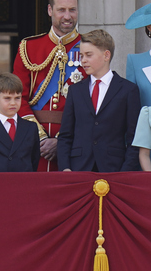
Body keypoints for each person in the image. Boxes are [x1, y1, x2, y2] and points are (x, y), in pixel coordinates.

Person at [12, 0, 81, 171]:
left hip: (74, 145)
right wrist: (41, 138)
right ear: (50, 10)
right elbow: (17, 98)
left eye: (72, 10)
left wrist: (61, 140)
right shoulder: (28, 48)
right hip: (34, 145)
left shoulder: (89, 49)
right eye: (61, 10)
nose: (67, 16)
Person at [57, 29, 141, 172]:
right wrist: (65, 168)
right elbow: (65, 135)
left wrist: (125, 172)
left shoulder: (128, 90)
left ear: (106, 55)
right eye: (82, 55)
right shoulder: (75, 91)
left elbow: (134, 139)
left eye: (89, 55)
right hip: (79, 169)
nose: (83, 60)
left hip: (114, 169)